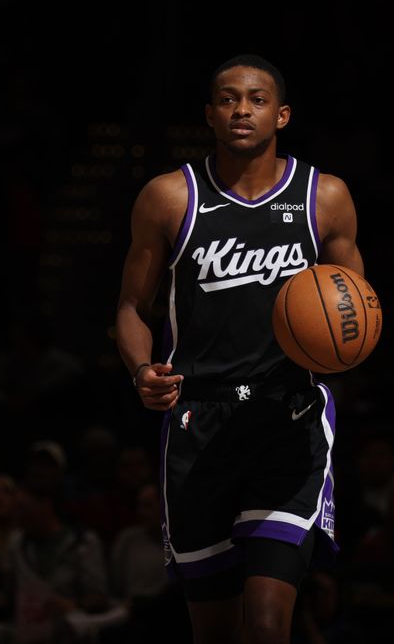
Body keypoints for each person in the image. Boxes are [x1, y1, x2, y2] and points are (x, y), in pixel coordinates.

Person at [114, 53, 365, 644]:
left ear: (281, 115)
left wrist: (340, 357)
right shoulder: (169, 197)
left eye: (255, 99)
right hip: (198, 419)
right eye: (228, 99)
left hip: (288, 418)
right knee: (215, 630)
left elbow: (358, 310)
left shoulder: (323, 197)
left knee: (269, 621)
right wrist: (141, 369)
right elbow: (130, 308)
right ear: (209, 114)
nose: (241, 110)